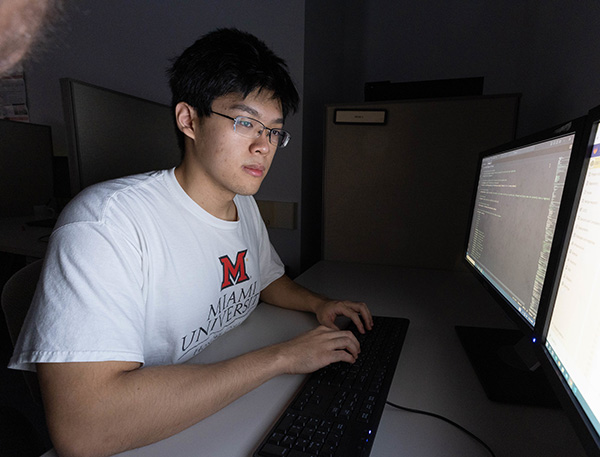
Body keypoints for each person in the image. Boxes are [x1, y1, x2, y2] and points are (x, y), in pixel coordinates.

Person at [9, 28, 373, 457]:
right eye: (244, 122)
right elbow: (85, 428)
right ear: (189, 120)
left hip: (216, 411)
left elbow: (266, 278)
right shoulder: (107, 224)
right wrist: (280, 358)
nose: (263, 147)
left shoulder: (242, 203)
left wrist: (317, 304)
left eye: (274, 131)